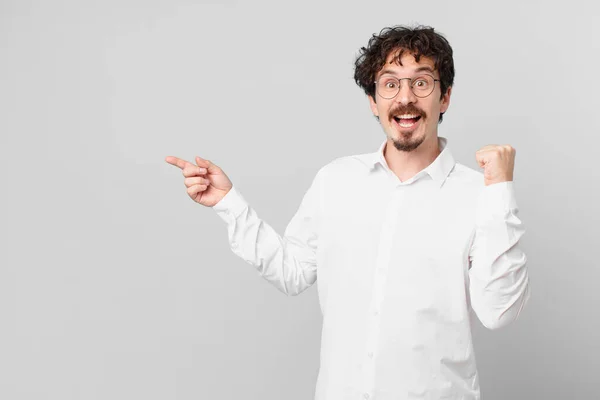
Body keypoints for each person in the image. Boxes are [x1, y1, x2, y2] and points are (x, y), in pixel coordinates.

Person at [165, 25, 530, 400]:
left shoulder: (479, 194)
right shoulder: (335, 180)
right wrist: (228, 202)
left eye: (422, 83)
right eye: (389, 84)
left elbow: (499, 311)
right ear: (374, 101)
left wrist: (500, 190)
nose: (405, 98)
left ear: (445, 96)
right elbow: (291, 272)